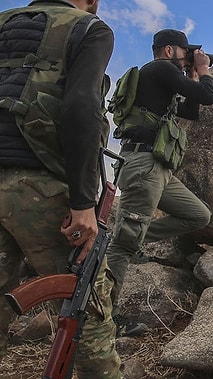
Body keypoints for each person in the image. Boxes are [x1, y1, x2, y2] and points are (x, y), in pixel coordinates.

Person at [0, 0, 122, 377]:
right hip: (38, 189)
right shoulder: (88, 27)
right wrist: (84, 202)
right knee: (86, 321)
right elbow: (81, 106)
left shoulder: (5, 22)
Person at [105, 28, 213, 336]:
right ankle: (102, 321)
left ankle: (127, 237)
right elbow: (209, 96)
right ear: (169, 51)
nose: (189, 57)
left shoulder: (160, 82)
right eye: (186, 52)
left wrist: (193, 75)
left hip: (158, 170)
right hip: (143, 165)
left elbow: (192, 111)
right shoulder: (159, 69)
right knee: (123, 246)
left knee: (198, 215)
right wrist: (204, 71)